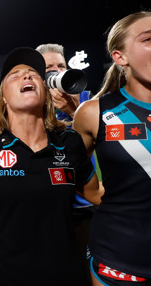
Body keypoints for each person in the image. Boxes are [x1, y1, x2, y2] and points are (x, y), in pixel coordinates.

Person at [0, 47, 103, 286]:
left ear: (46, 93)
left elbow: (95, 194)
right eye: (15, 75)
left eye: (33, 73)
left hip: (69, 276)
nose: (27, 76)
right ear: (3, 97)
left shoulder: (70, 143)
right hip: (7, 278)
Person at [73, 11, 151, 285]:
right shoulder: (91, 113)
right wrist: (122, 204)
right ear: (119, 57)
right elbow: (78, 176)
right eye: (148, 38)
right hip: (117, 263)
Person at [36, 43, 95, 277]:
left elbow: (104, 142)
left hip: (82, 198)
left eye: (61, 65)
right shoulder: (29, 101)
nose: (57, 70)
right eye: (49, 67)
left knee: (83, 267)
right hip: (45, 200)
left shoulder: (85, 99)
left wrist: (75, 111)